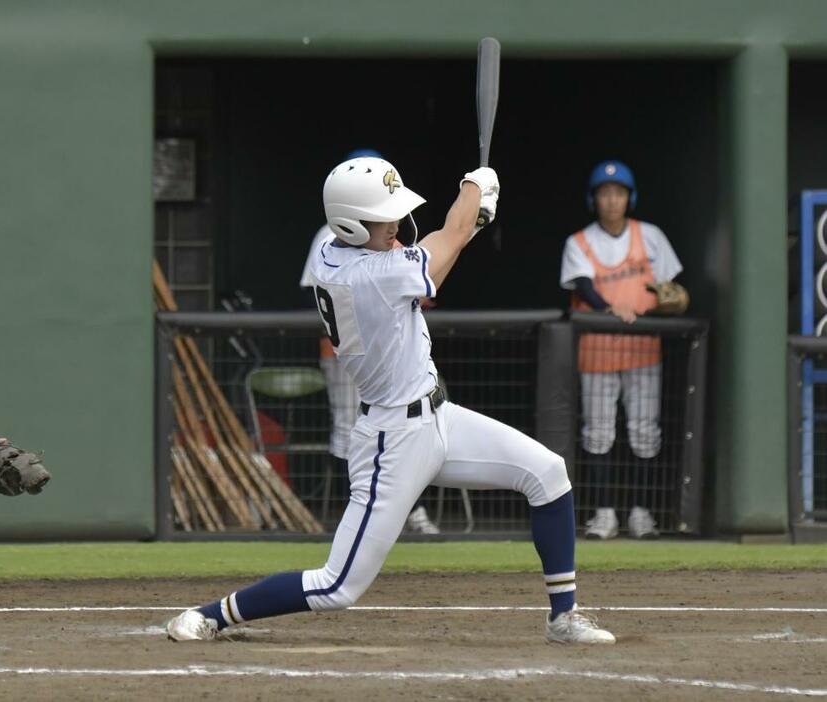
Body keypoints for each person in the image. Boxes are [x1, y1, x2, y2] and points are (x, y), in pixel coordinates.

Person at [167, 156, 614, 645]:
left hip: (439, 417)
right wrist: (473, 187)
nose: (395, 223)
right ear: (350, 224)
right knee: (337, 586)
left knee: (548, 473)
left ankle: (563, 618)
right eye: (383, 217)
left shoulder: (335, 253)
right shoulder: (366, 276)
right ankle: (212, 615)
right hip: (392, 440)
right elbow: (443, 244)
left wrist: (471, 221)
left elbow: (439, 250)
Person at [299, 148, 440, 536]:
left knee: (409, 432)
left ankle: (405, 511)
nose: (391, 219)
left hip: (390, 350)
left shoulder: (384, 239)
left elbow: (417, 289)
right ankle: (357, 512)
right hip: (347, 351)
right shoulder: (329, 241)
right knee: (349, 427)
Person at [560, 160, 684, 540]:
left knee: (645, 433)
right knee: (598, 434)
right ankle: (604, 513)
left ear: (630, 198)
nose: (612, 200)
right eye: (604, 193)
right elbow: (582, 286)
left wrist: (670, 301)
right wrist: (610, 307)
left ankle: (642, 513)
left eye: (619, 193)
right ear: (593, 199)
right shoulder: (579, 241)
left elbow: (671, 287)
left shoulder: (650, 236)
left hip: (642, 350)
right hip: (597, 353)